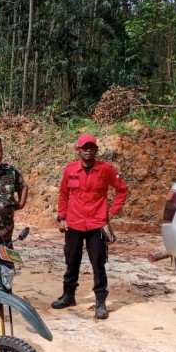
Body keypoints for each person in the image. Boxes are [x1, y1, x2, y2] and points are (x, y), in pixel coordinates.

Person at [52, 134, 128, 319]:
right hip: (74, 223)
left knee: (98, 264)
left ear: (96, 150)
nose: (88, 150)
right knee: (72, 261)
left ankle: (100, 301)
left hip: (97, 224)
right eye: (84, 147)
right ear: (77, 150)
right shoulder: (70, 170)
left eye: (91, 147)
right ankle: (68, 295)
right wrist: (62, 218)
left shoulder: (106, 169)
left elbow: (122, 189)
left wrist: (113, 210)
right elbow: (63, 195)